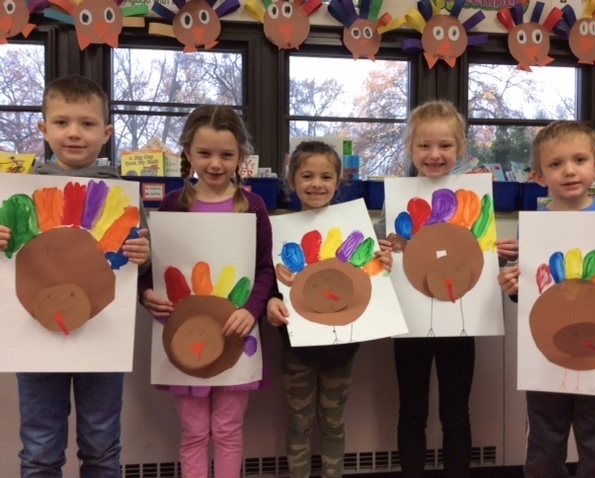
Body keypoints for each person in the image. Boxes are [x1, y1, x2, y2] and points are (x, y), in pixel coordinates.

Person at [12, 74, 151, 477]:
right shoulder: (20, 193)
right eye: (61, 122)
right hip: (35, 342)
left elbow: (138, 264)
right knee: (39, 449)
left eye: (87, 124)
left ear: (106, 133)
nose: (74, 133)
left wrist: (143, 254)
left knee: (102, 446)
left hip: (101, 339)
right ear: (43, 128)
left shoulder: (122, 195)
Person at [373, 100, 517, 478]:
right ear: (409, 147)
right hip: (412, 325)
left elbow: (477, 259)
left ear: (460, 149)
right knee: (412, 412)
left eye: (445, 146)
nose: (434, 154)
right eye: (424, 146)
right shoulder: (397, 198)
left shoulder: (473, 197)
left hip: (461, 322)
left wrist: (497, 256)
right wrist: (382, 253)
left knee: (456, 413)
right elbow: (378, 253)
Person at [139, 105, 274, 478]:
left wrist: (252, 309)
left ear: (241, 157)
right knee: (195, 431)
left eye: (227, 155)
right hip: (186, 336)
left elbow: (264, 270)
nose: (215, 164)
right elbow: (154, 269)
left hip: (236, 333)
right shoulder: (171, 206)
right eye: (205, 153)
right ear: (187, 154)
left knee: (228, 431)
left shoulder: (254, 207)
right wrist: (146, 293)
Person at [498, 120, 595, 478]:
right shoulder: (536, 224)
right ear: (539, 175)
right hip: (547, 360)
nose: (569, 170)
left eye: (580, 160)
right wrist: (513, 288)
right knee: (543, 449)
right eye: (555, 164)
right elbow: (534, 296)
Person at [266, 140, 392, 478]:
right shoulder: (279, 230)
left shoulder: (355, 230)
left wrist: (383, 264)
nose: (316, 184)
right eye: (306, 176)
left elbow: (370, 279)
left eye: (326, 176)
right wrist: (270, 300)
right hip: (296, 347)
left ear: (339, 182)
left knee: (334, 421)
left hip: (342, 346)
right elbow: (268, 282)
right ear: (292, 181)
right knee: (299, 421)